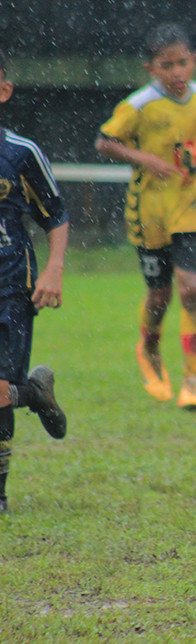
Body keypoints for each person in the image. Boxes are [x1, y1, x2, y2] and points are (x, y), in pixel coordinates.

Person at [95, 23, 196, 411]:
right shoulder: (139, 106)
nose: (176, 72)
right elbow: (105, 141)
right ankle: (150, 348)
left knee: (192, 289)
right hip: (150, 213)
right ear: (151, 68)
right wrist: (146, 159)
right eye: (166, 65)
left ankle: (192, 381)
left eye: (182, 63)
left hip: (193, 207)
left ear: (194, 61)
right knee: (160, 296)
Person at [0, 50, 70, 513]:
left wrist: (53, 269)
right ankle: (34, 391)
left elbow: (56, 213)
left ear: (3, 91)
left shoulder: (20, 153)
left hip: (10, 283)